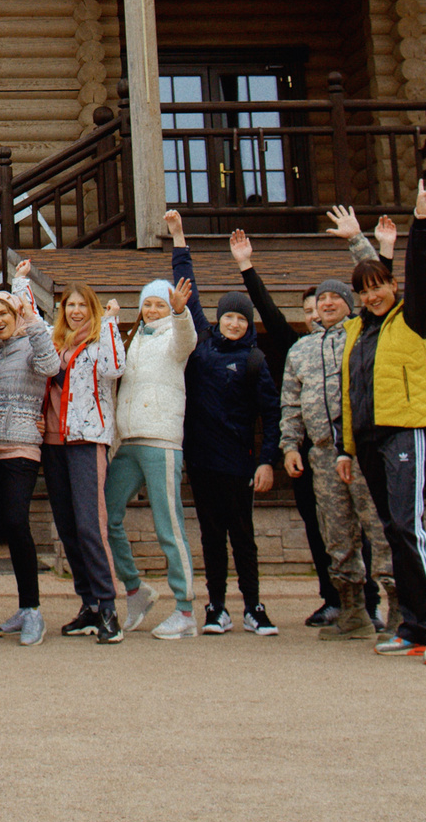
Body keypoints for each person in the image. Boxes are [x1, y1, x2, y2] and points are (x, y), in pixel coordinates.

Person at [337, 181, 426, 665]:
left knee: (409, 528)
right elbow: (349, 396)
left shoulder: (411, 321)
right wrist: (346, 448)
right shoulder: (356, 334)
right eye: (364, 291)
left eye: (379, 286)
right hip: (366, 440)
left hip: (405, 430)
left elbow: (421, 276)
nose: (373, 296)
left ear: (391, 286)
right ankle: (412, 624)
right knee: (391, 530)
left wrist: (420, 223)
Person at [281, 220, 396, 643]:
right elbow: (290, 403)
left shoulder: (361, 333)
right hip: (323, 456)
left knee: (380, 529)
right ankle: (352, 611)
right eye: (322, 299)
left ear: (351, 304)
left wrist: (357, 240)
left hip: (363, 449)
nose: (327, 304)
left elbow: (377, 285)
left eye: (336, 297)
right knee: (336, 533)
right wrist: (290, 444)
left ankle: (395, 607)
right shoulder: (301, 349)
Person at [177, 229, 282, 636]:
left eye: (241, 317)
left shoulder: (255, 360)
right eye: (229, 316)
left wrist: (266, 461)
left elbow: (272, 414)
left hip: (239, 463)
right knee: (211, 535)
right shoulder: (202, 344)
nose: (234, 323)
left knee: (243, 537)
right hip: (202, 461)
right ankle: (216, 606)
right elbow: (191, 293)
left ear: (248, 323)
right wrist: (179, 240)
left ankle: (253, 607)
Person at [105, 209, 201, 640]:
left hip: (161, 440)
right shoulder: (134, 338)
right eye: (148, 303)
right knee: (107, 517)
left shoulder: (175, 337)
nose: (153, 308)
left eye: (159, 302)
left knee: (169, 525)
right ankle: (135, 588)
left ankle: (184, 608)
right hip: (127, 440)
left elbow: (187, 339)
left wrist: (181, 314)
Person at [0, 261, 59, 644]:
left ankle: (34, 612)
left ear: (16, 314)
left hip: (22, 448)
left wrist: (32, 318)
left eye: (3, 314)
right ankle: (25, 606)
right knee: (7, 529)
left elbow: (50, 364)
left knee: (16, 523)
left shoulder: (31, 345)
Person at [43, 279, 126, 643]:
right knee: (67, 526)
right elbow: (27, 315)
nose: (75, 311)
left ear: (91, 309)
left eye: (82, 305)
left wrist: (108, 322)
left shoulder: (99, 342)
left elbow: (115, 369)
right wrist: (20, 281)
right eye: (69, 306)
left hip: (86, 439)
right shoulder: (57, 344)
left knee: (91, 524)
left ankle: (109, 608)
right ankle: (88, 604)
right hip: (54, 441)